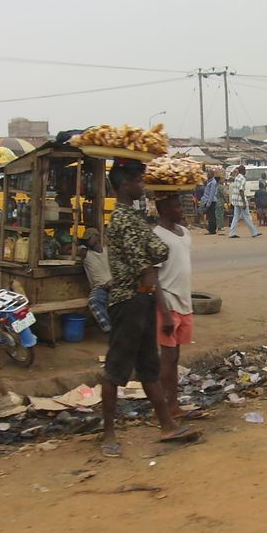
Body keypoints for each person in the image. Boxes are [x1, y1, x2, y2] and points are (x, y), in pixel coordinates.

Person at [101, 158, 197, 457]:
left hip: (141, 299)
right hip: (127, 300)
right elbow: (146, 262)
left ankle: (167, 424)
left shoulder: (135, 217)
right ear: (124, 185)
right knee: (116, 369)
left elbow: (157, 252)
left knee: (148, 367)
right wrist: (165, 310)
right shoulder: (122, 220)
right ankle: (108, 434)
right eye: (138, 181)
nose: (143, 186)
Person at [154, 195, 205, 421]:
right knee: (167, 358)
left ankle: (172, 405)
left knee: (174, 358)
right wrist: (164, 312)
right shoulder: (157, 236)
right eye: (176, 206)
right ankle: (162, 410)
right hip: (168, 303)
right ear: (163, 208)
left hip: (184, 303)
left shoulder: (184, 233)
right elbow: (153, 277)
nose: (181, 209)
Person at [77, 227, 112, 333]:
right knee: (93, 301)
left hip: (114, 284)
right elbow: (69, 248)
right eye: (86, 239)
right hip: (100, 287)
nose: (87, 241)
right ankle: (109, 329)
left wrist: (113, 281)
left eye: (89, 238)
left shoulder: (108, 251)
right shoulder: (86, 253)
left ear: (97, 237)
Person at [228, 165, 261, 238]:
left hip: (235, 200)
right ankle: (254, 232)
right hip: (240, 200)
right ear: (243, 171)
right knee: (247, 216)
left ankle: (232, 233)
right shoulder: (242, 178)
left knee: (236, 217)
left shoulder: (237, 177)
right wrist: (244, 202)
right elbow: (241, 190)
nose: (246, 171)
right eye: (245, 170)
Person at [200, 170, 218, 235]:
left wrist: (208, 203)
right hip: (207, 200)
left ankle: (212, 230)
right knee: (210, 216)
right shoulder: (208, 181)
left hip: (211, 201)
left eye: (208, 174)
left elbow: (211, 194)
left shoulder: (213, 182)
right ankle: (212, 229)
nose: (207, 175)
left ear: (212, 175)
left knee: (211, 216)